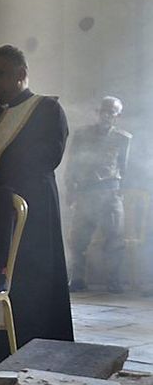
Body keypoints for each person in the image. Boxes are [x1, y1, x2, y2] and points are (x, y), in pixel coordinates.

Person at [0, 44, 72, 362]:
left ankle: (35, 346)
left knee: (29, 281)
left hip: (28, 211)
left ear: (21, 75)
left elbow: (48, 155)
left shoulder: (45, 109)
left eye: (0, 74)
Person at [66, 96, 131, 292]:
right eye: (104, 110)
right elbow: (72, 164)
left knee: (115, 240)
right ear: (98, 111)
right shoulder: (82, 135)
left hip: (110, 193)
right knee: (78, 240)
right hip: (86, 192)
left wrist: (120, 193)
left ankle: (114, 280)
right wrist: (70, 188)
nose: (106, 115)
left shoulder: (123, 139)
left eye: (111, 112)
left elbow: (124, 168)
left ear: (117, 115)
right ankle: (77, 278)